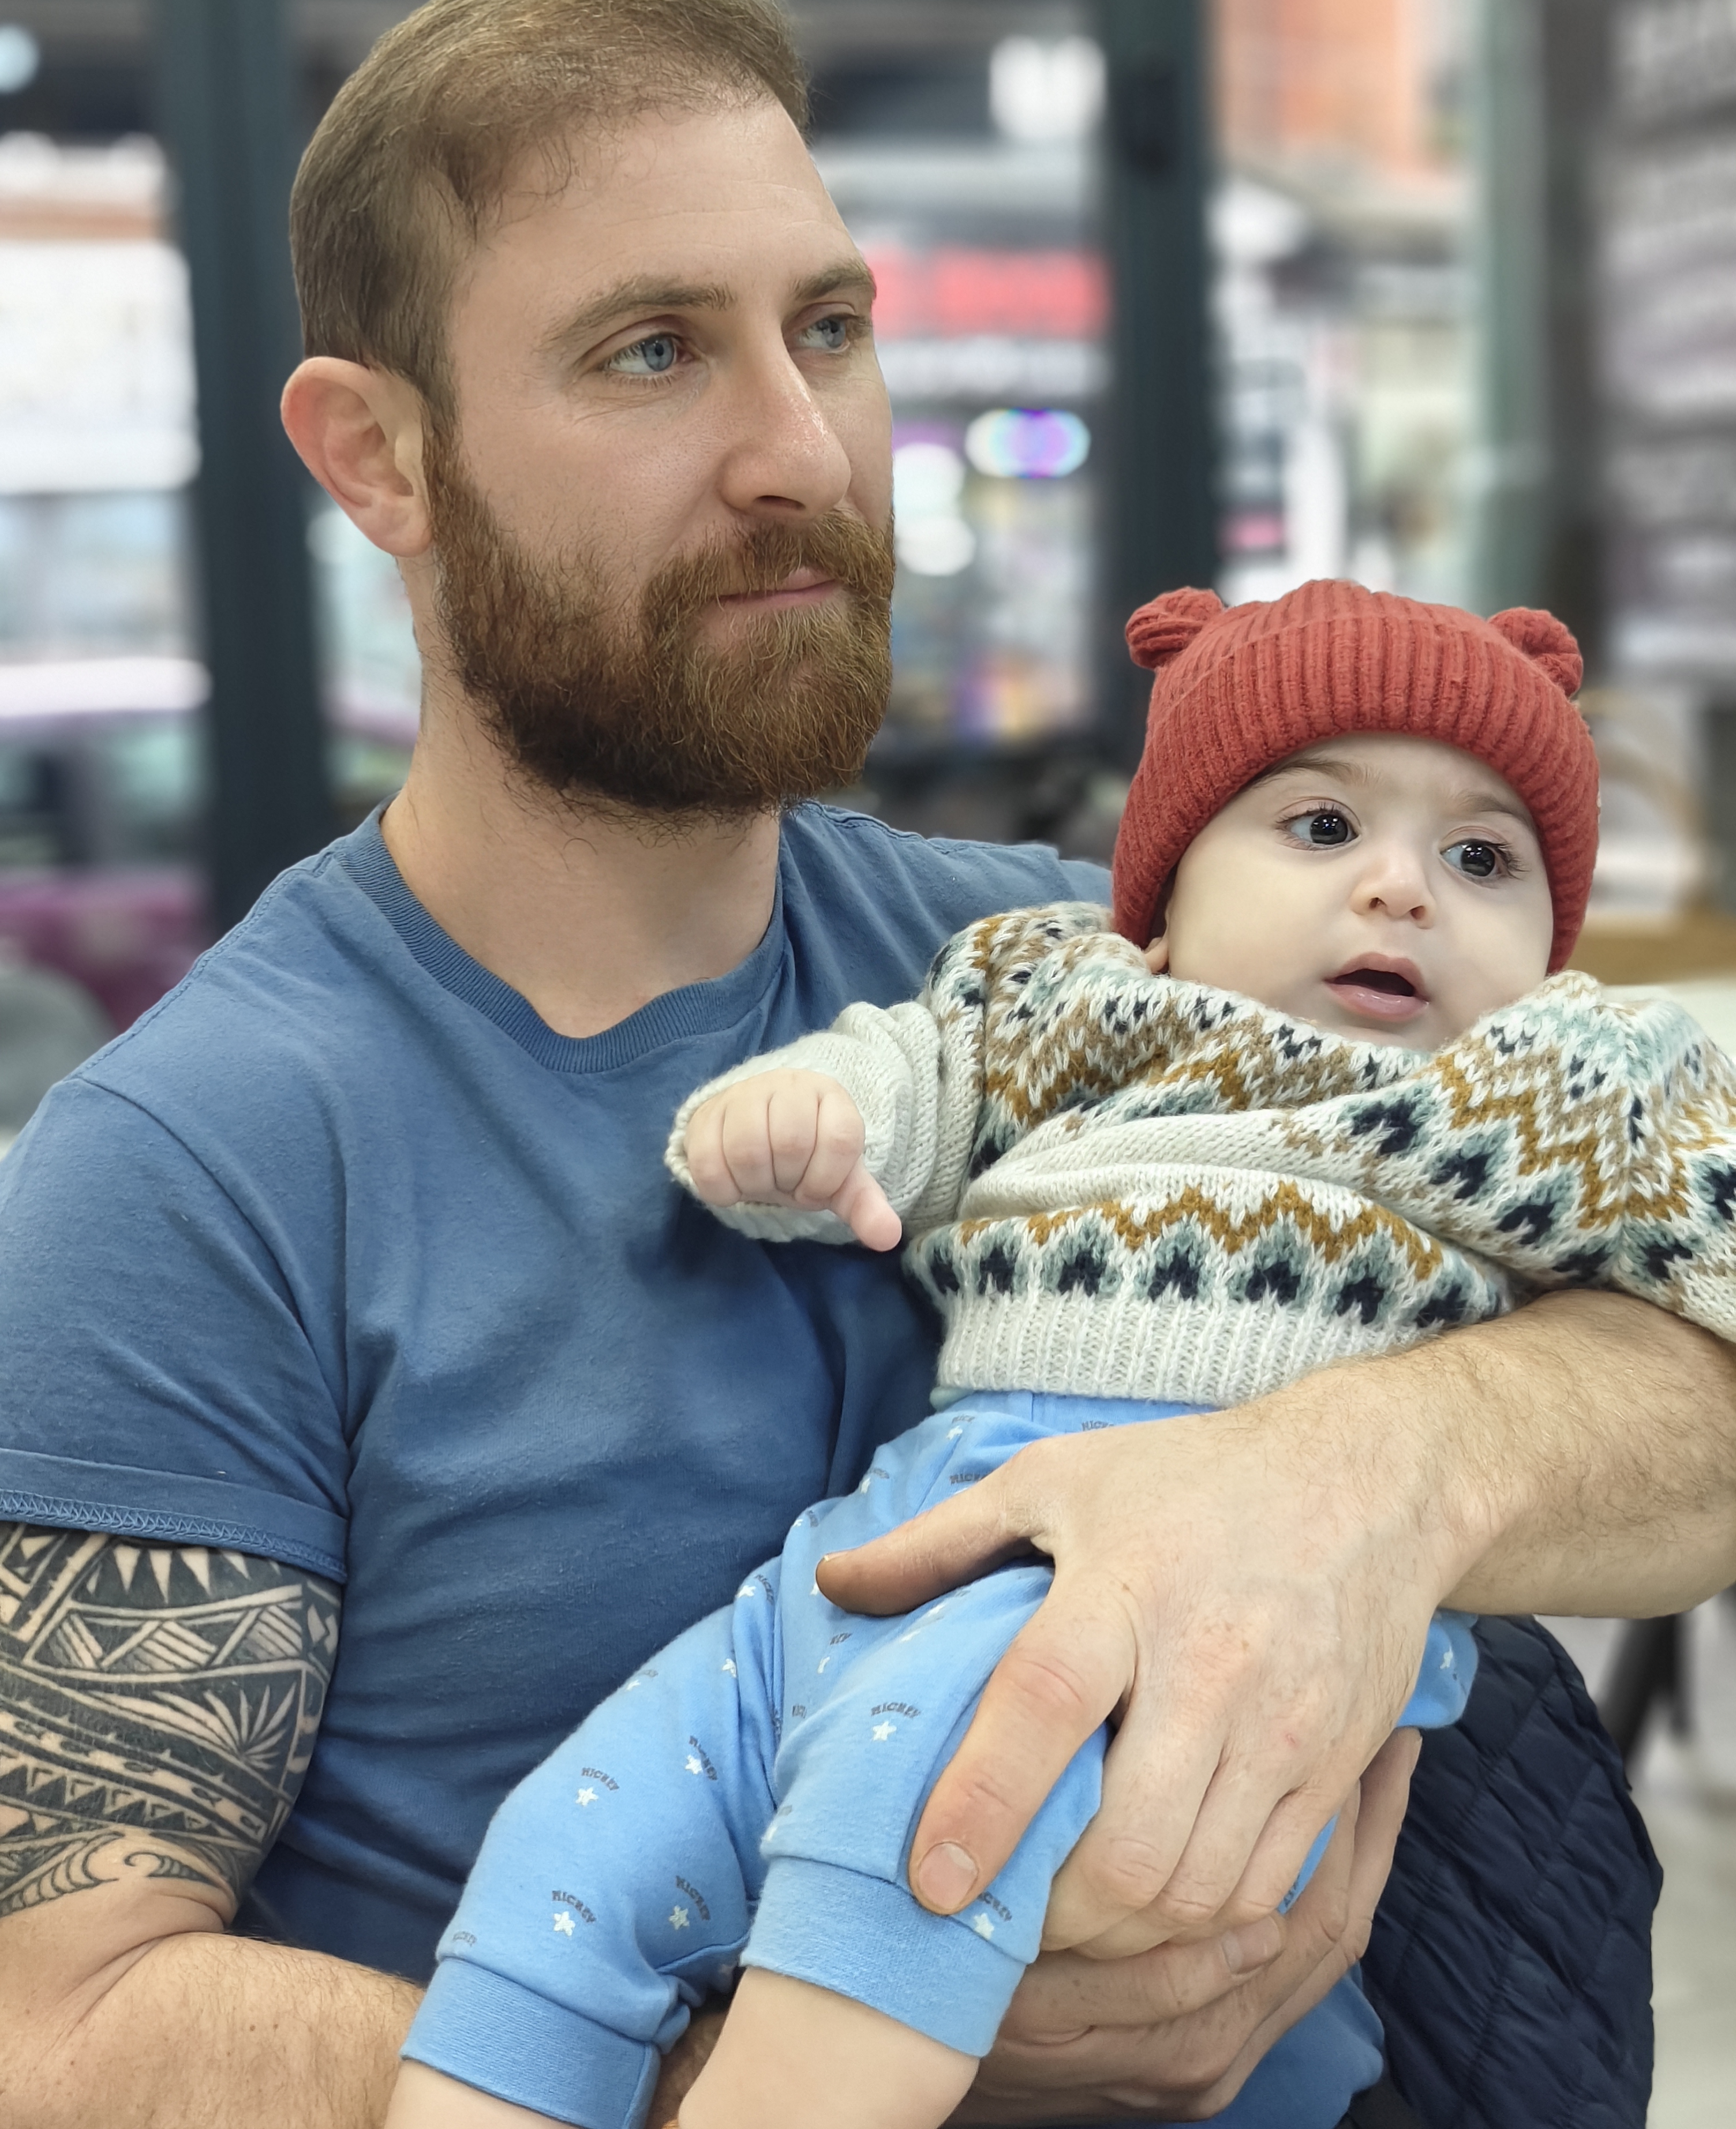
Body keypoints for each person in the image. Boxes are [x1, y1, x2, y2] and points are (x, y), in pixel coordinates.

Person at [0, 0, 1720, 2129]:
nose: (802, 453)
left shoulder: (1083, 976)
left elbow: (1691, 1352)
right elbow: (55, 2030)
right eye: (651, 352)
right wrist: (816, 2059)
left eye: (829, 328)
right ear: (380, 457)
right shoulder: (196, 1170)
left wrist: (1373, 1478)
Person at [391, 579, 1724, 2129]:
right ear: (1160, 903)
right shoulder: (1064, 998)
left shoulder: (1551, 1086)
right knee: (581, 1836)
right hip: (899, 1549)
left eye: (1483, 859)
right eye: (1320, 827)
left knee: (920, 1810)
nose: (1401, 890)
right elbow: (912, 1078)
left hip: (1205, 1643)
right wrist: (811, 1118)